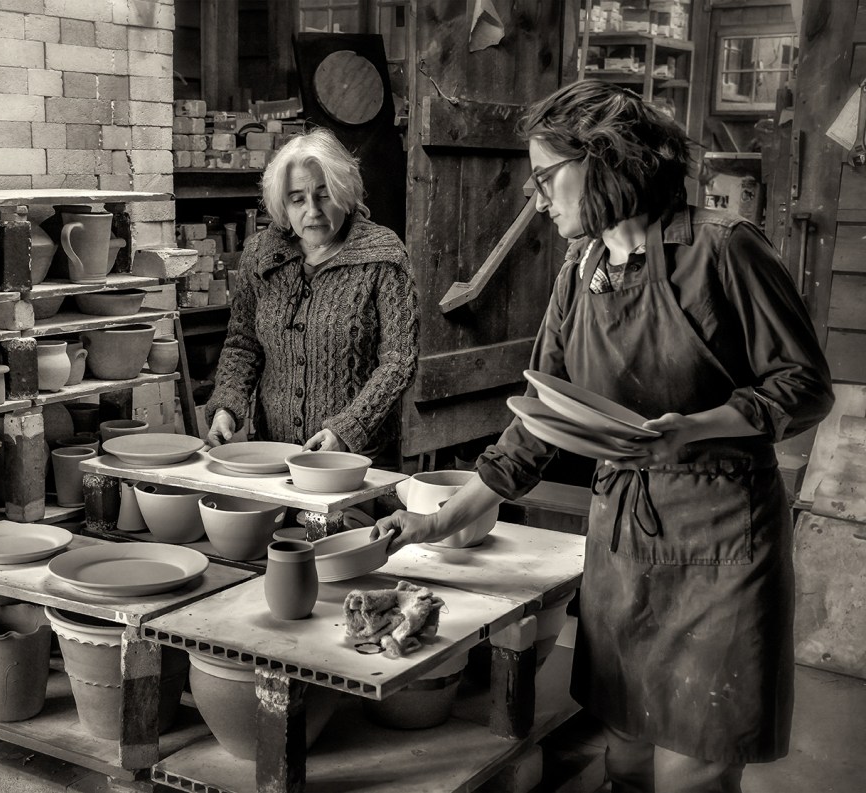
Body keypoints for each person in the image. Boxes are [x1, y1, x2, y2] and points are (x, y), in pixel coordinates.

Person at [376, 80, 834, 792]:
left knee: (693, 766)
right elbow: (536, 424)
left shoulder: (723, 250)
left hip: (721, 539)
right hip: (622, 541)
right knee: (624, 755)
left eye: (545, 178)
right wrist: (436, 521)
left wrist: (697, 429)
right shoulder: (580, 271)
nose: (538, 201)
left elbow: (804, 385)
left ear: (604, 159)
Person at [204, 127, 419, 467]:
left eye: (324, 195)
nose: (312, 211)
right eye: (297, 199)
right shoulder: (261, 254)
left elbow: (399, 361)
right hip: (272, 456)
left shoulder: (383, 255)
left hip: (358, 460)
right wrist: (226, 408)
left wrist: (347, 430)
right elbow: (243, 345)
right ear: (283, 204)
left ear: (344, 192)